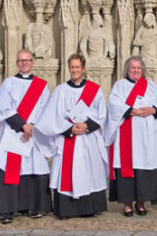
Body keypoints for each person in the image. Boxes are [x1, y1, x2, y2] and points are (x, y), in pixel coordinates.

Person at [0, 50, 53, 224]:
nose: (25, 63)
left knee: (33, 169)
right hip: (14, 132)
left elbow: (47, 109)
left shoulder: (42, 85)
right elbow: (3, 107)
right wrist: (23, 126)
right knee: (12, 170)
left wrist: (33, 126)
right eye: (21, 61)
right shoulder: (9, 83)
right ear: (17, 63)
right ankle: (8, 209)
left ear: (33, 62)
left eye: (27, 60)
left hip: (34, 133)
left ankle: (32, 206)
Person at [38, 53, 109, 219]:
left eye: (77, 67)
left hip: (88, 137)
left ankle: (88, 208)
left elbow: (102, 115)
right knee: (68, 172)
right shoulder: (61, 91)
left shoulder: (94, 89)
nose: (74, 70)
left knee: (88, 171)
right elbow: (51, 117)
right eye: (72, 67)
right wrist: (69, 128)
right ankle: (66, 209)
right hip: (68, 138)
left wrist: (87, 125)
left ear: (83, 69)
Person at [105, 56, 157, 216]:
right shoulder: (120, 86)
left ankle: (141, 203)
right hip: (127, 135)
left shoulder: (152, 86)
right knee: (127, 168)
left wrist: (153, 110)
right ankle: (127, 204)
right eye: (133, 68)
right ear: (127, 70)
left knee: (143, 169)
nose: (136, 70)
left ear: (143, 70)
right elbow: (114, 104)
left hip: (147, 137)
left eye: (139, 68)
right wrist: (131, 111)